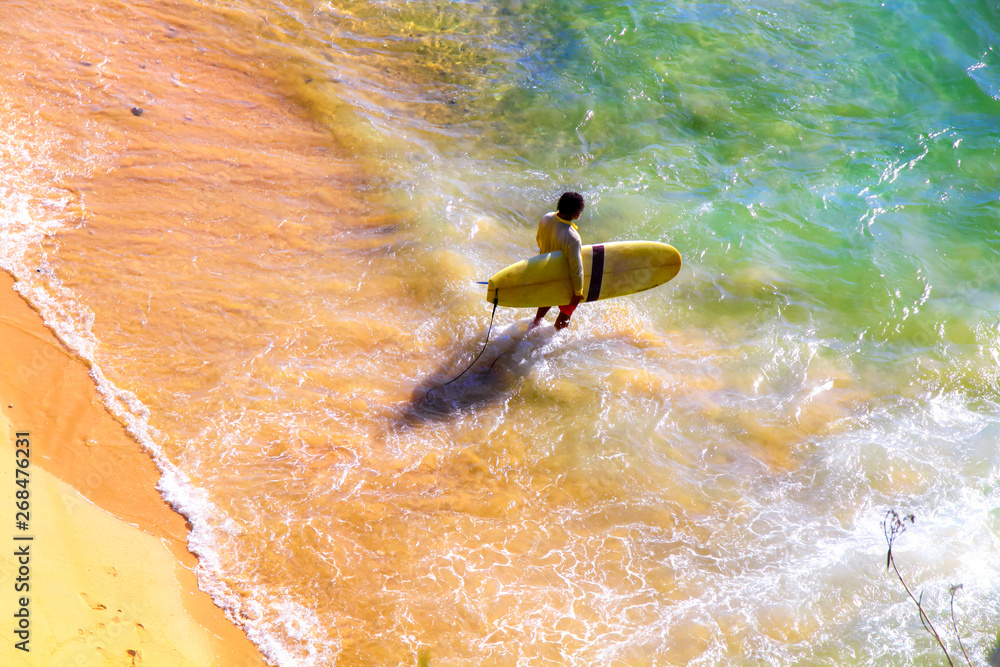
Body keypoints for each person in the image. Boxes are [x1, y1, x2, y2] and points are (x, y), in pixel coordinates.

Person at [531, 192, 585, 330]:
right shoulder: (572, 237)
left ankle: (535, 323)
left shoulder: (546, 218)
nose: (581, 212)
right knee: (566, 312)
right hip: (563, 278)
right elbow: (576, 268)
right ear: (574, 211)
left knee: (548, 298)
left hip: (546, 269)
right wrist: (578, 293)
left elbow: (539, 240)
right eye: (580, 210)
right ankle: (555, 337)